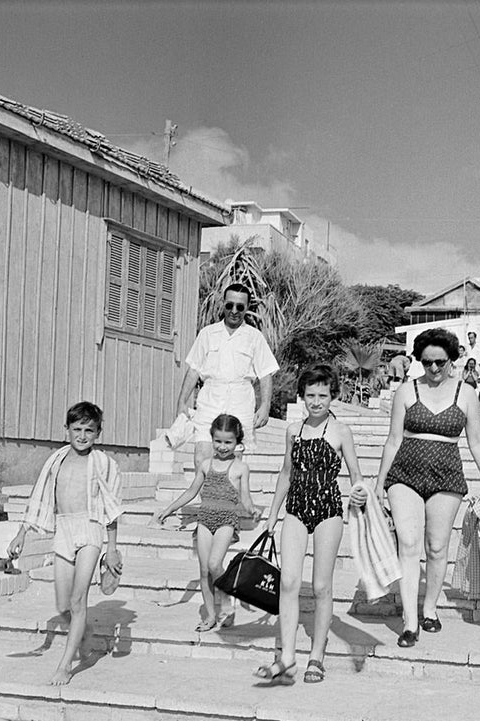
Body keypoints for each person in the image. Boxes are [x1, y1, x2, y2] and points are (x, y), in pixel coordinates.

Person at [375, 328, 480, 647]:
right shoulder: (406, 391)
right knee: (409, 544)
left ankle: (430, 608)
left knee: (438, 547)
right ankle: (410, 622)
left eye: (440, 362)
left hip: (446, 473)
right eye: (427, 362)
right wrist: (378, 483)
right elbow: (393, 440)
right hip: (405, 473)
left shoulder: (465, 393)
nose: (433, 369)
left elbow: (477, 441)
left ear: (451, 360)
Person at [257, 365, 367, 685]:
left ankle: (316, 654)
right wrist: (273, 515)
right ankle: (288, 656)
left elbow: (356, 475)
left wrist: (359, 497)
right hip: (295, 508)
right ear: (302, 397)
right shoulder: (293, 429)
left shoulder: (341, 431)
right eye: (310, 395)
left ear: (333, 396)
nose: (316, 401)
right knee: (289, 583)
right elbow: (286, 473)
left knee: (321, 586)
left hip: (328, 510)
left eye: (322, 395)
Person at [8, 402, 123, 685]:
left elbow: (111, 509)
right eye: (77, 429)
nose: (82, 436)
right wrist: (21, 533)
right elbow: (41, 498)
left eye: (89, 430)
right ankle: (89, 638)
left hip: (91, 529)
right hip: (64, 529)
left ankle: (64, 665)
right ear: (67, 430)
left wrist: (112, 548)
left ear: (98, 432)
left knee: (77, 599)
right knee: (64, 602)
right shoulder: (56, 461)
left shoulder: (104, 464)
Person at [151, 414, 257, 631]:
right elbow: (192, 491)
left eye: (228, 442)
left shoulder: (240, 468)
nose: (223, 446)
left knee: (214, 564)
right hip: (205, 518)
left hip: (227, 520)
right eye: (218, 441)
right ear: (212, 439)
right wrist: (169, 509)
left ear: (238, 442)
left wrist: (252, 510)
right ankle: (210, 615)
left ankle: (227, 602)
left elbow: (245, 498)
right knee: (203, 571)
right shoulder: (206, 465)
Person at [176, 284, 279, 467]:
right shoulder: (207, 334)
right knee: (202, 457)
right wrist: (182, 402)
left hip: (240, 402)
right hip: (210, 399)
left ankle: (229, 496)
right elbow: (194, 370)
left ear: (247, 308)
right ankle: (203, 496)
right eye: (229, 305)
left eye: (240, 307)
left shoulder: (254, 337)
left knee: (233, 464)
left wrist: (265, 406)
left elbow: (265, 374)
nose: (234, 311)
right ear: (223, 304)